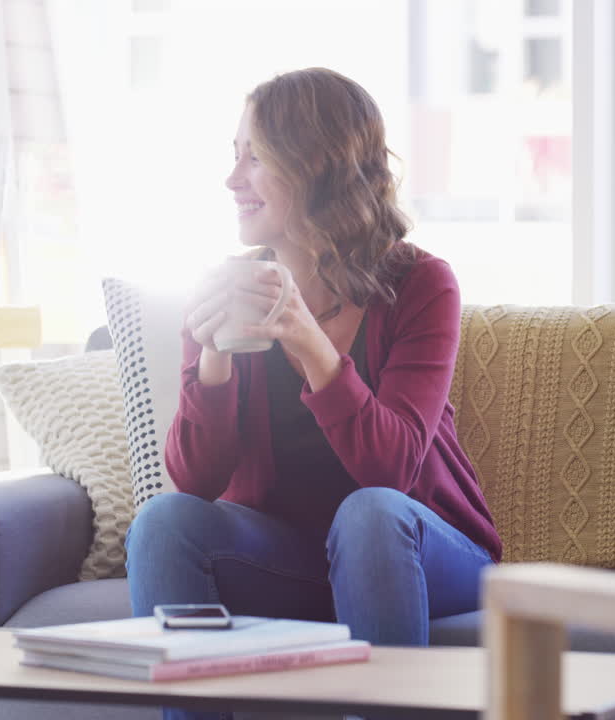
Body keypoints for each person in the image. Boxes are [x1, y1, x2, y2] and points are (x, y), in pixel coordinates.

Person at [125, 67, 502, 717]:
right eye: (234, 156)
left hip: (417, 553)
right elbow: (194, 480)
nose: (232, 179)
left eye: (254, 158)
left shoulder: (420, 284)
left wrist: (308, 341)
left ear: (313, 166)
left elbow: (391, 468)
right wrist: (213, 356)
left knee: (370, 515)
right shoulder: (230, 289)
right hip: (289, 559)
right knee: (162, 522)